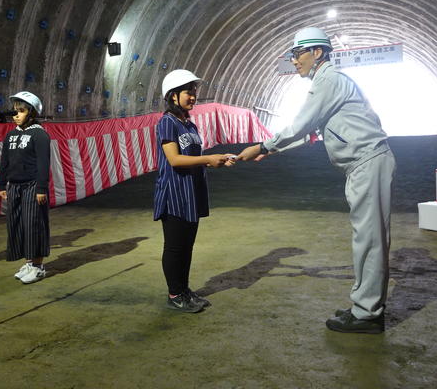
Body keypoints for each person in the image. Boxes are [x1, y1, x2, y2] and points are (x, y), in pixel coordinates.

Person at [238, 27, 396, 334]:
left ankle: (367, 314)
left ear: (318, 53)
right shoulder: (329, 81)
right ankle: (364, 306)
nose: (294, 61)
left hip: (368, 162)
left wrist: (263, 146)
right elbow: (312, 133)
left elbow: (302, 123)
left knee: (371, 241)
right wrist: (270, 152)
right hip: (362, 165)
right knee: (366, 239)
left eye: (298, 54)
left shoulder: (329, 80)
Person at [154, 69, 236, 313]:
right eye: (188, 92)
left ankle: (184, 289)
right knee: (175, 246)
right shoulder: (167, 122)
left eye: (194, 91)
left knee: (187, 246)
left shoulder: (188, 124)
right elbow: (174, 160)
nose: (193, 96)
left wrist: (218, 160)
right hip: (175, 193)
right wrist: (208, 159)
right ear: (172, 96)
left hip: (191, 193)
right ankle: (174, 294)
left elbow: (196, 157)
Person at [0, 91, 51, 284]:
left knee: (33, 225)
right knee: (18, 225)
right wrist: (2, 184)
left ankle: (38, 267)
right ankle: (29, 263)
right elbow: (5, 161)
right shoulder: (10, 135)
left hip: (33, 186)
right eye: (15, 111)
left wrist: (41, 189)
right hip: (14, 187)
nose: (16, 115)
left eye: (21, 111)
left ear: (32, 113)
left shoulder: (39, 134)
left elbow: (44, 164)